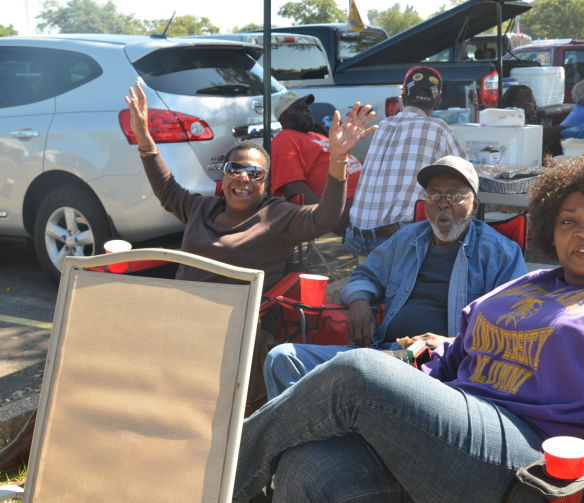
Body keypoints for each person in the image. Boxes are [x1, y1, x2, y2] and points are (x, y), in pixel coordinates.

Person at [232, 146, 584, 503]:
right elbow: (457, 357)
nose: (583, 231)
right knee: (306, 468)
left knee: (355, 374)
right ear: (550, 233)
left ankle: (208, 478)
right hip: (456, 424)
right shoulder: (527, 286)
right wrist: (419, 361)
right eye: (567, 220)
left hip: (533, 454)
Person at [0, 83, 378, 473]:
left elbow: (326, 218)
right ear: (224, 174)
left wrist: (336, 162)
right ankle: (27, 447)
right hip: (173, 318)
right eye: (236, 169)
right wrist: (145, 139)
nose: (243, 178)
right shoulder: (201, 207)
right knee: (82, 350)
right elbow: (166, 189)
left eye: (255, 173)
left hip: (230, 329)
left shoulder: (279, 216)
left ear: (265, 182)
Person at [263, 155, 527, 399]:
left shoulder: (500, 254)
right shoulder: (408, 238)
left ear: (475, 204)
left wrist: (450, 343)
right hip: (383, 352)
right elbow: (365, 275)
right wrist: (359, 303)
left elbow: (513, 330)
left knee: (363, 378)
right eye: (435, 194)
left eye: (456, 196)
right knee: (283, 357)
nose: (443, 203)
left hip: (439, 369)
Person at [346, 65, 465, 258]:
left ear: (402, 97)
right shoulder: (439, 127)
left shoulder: (384, 125)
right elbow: (467, 176)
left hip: (357, 236)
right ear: (438, 101)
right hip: (396, 238)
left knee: (371, 284)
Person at [270, 91, 363, 235]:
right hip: (344, 207)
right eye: (300, 108)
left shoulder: (316, 135)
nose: (307, 109)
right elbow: (293, 187)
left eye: (307, 106)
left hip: (364, 195)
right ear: (285, 116)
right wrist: (324, 215)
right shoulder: (284, 140)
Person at [499, 84, 563, 156]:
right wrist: (558, 130)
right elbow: (531, 137)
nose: (535, 107)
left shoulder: (528, 117)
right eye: (531, 103)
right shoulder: (509, 118)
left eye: (535, 103)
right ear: (515, 104)